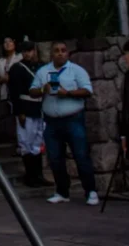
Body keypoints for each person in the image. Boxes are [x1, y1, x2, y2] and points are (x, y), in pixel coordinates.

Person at [29, 41, 99, 205]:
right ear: (51, 54)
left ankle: (91, 191)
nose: (60, 53)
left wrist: (67, 93)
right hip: (52, 121)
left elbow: (87, 90)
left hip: (73, 119)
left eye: (63, 50)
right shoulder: (43, 71)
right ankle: (62, 191)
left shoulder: (76, 70)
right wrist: (42, 90)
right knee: (55, 158)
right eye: (56, 51)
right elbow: (32, 91)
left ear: (67, 53)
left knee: (81, 155)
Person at [6, 41, 47, 187]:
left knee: (38, 143)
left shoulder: (41, 67)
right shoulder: (16, 69)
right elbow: (14, 92)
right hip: (26, 107)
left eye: (30, 50)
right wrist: (19, 112)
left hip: (39, 108)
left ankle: (39, 175)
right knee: (26, 143)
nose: (27, 53)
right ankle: (30, 176)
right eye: (24, 51)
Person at [0, 37, 20, 105]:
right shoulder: (0, 61)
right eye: (5, 42)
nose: (7, 43)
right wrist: (3, 79)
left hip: (18, 92)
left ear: (14, 43)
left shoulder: (20, 58)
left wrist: (11, 78)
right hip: (5, 94)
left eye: (10, 41)